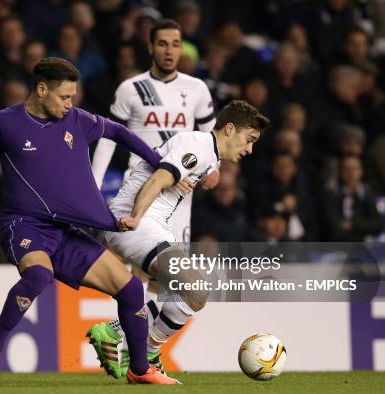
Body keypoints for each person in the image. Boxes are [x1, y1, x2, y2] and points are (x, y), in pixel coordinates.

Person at [0, 57, 179, 385]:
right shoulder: (4, 123)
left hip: (65, 232)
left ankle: (140, 370)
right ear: (41, 90)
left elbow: (118, 132)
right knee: (39, 275)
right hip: (24, 226)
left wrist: (160, 164)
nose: (70, 104)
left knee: (129, 290)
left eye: (73, 97)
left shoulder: (78, 121)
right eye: (64, 97)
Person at [86, 100, 269, 378]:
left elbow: (164, 167)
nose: (250, 149)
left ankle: (115, 333)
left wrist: (183, 175)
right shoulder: (199, 146)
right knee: (196, 289)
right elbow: (158, 180)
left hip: (153, 224)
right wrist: (135, 217)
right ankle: (145, 353)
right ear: (230, 129)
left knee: (167, 293)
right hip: (138, 223)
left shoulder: (206, 154)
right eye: (249, 139)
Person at [91, 18, 216, 243]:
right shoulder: (131, 89)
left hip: (179, 189)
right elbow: (108, 138)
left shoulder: (197, 88)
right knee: (140, 263)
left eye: (175, 44)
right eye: (162, 43)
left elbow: (213, 137)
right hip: (140, 183)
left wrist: (214, 168)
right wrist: (94, 183)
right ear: (150, 47)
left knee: (170, 270)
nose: (169, 51)